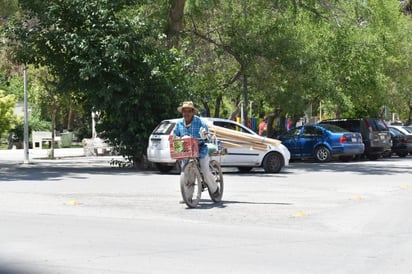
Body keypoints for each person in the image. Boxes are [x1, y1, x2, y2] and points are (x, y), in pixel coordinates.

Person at [174, 101, 219, 198]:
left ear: (193, 112)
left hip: (200, 150)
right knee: (187, 174)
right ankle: (188, 197)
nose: (186, 113)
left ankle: (215, 189)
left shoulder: (199, 122)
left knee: (205, 171)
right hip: (186, 152)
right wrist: (176, 140)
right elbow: (175, 135)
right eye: (184, 111)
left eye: (189, 111)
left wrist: (205, 135)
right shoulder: (179, 124)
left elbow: (207, 134)